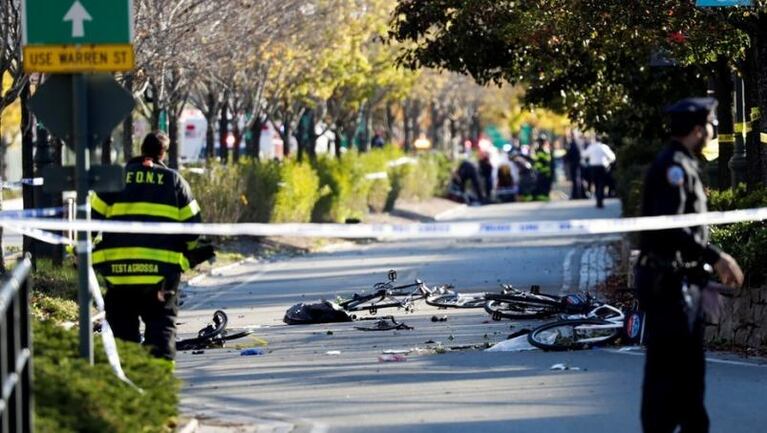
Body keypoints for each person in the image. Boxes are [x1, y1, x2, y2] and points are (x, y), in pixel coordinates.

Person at [635, 97, 743, 433]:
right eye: (710, 125)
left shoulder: (680, 162)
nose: (713, 131)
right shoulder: (674, 168)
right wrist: (717, 256)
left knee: (682, 377)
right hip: (670, 286)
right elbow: (674, 227)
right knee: (674, 376)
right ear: (698, 130)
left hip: (678, 283)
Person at [91, 131, 213, 360]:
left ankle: (128, 381)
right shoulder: (174, 181)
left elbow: (88, 223)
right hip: (160, 277)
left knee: (123, 335)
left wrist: (79, 253)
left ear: (141, 149)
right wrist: (185, 254)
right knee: (161, 331)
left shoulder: (114, 180)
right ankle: (159, 383)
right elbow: (194, 230)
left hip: (119, 276)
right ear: (163, 153)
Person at [581, 135, 616, 208]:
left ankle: (598, 201)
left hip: (593, 168)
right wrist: (608, 162)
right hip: (602, 167)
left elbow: (584, 155)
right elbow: (613, 157)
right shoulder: (604, 147)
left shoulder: (592, 147)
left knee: (596, 185)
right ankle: (600, 201)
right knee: (601, 184)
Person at [532, 134, 553, 200]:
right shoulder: (540, 150)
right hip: (542, 172)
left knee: (544, 185)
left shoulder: (544, 150)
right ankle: (543, 196)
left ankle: (544, 196)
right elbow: (541, 160)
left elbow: (547, 160)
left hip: (544, 172)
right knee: (542, 185)